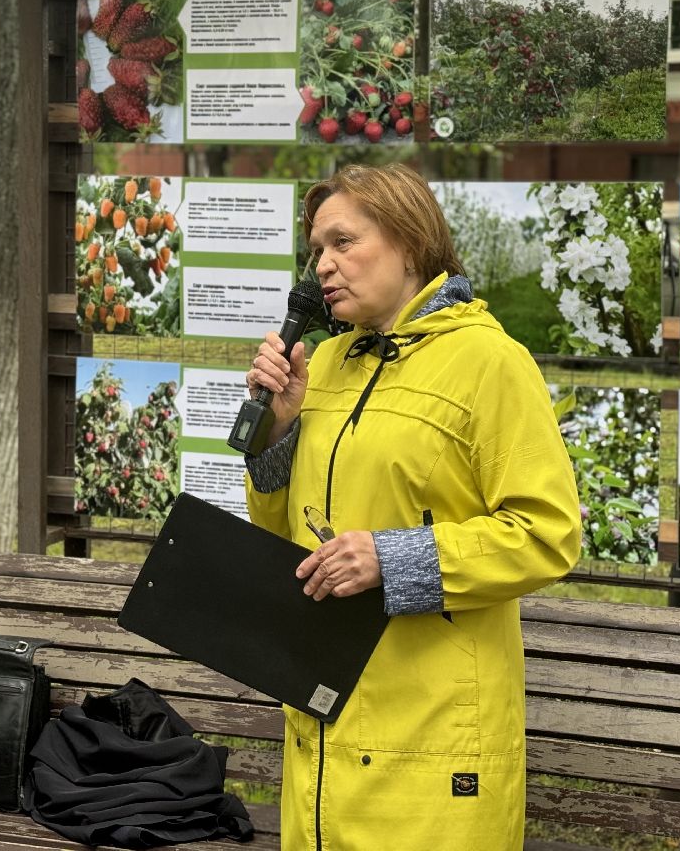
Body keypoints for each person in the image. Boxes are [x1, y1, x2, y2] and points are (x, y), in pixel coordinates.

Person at [242, 163, 580, 850]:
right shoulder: (328, 367)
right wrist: (275, 434)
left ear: (408, 241)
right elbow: (284, 534)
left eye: (343, 242)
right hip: (323, 731)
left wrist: (392, 560)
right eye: (315, 250)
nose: (323, 266)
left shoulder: (491, 363)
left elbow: (548, 534)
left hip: (433, 736)